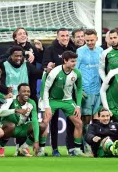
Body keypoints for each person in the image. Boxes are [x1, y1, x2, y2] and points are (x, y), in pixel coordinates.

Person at [41, 51, 86, 156]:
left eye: (75, 61)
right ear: (65, 61)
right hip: (52, 100)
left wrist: (78, 106)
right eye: (72, 61)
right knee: (45, 122)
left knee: (79, 123)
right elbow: (46, 89)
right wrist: (47, 107)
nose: (74, 63)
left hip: (67, 101)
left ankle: (77, 150)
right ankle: (41, 150)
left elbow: (79, 89)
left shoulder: (77, 73)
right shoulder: (55, 72)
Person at [41, 28, 76, 156]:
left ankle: (71, 148)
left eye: (67, 35)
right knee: (53, 121)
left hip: (68, 90)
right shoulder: (50, 49)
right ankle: (54, 148)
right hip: (53, 92)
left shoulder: (73, 48)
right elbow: (45, 66)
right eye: (62, 35)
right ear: (57, 37)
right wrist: (48, 67)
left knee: (72, 121)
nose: (65, 37)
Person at [0, 83, 48, 156]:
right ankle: (1, 148)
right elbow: (0, 113)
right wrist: (15, 110)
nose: (26, 93)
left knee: (42, 125)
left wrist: (36, 141)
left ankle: (24, 147)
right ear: (18, 92)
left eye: (28, 91)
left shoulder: (32, 102)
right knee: (11, 125)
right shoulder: (11, 99)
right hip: (6, 126)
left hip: (20, 128)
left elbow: (34, 121)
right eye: (24, 91)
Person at [76, 29, 103, 155]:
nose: (89, 43)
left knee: (97, 120)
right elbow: (75, 71)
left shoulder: (101, 51)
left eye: (92, 40)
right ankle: (86, 145)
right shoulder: (80, 51)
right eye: (87, 40)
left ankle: (96, 146)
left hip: (98, 89)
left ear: (96, 38)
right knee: (86, 120)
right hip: (85, 90)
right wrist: (78, 89)